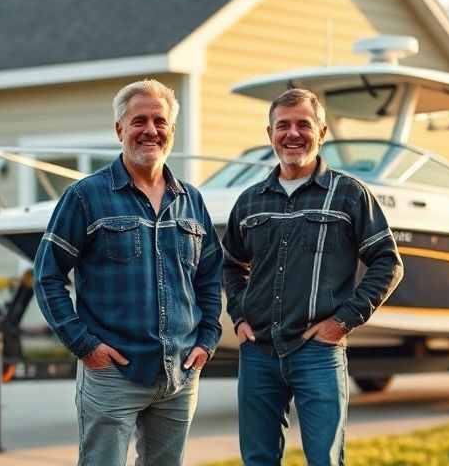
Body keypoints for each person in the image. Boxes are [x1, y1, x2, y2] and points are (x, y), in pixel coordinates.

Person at [33, 79, 223, 466]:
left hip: (180, 374)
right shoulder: (86, 196)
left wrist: (208, 339)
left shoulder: (192, 200)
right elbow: (47, 275)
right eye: (139, 120)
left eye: (160, 121)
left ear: (171, 130)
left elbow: (209, 276)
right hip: (111, 374)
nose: (150, 130)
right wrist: (84, 345)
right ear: (119, 129)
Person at [222, 88, 404, 465]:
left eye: (303, 125)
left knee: (325, 459)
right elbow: (230, 265)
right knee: (257, 459)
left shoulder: (349, 195)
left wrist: (341, 323)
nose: (292, 134)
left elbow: (388, 263)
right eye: (282, 126)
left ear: (321, 133)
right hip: (259, 352)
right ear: (269, 133)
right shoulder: (250, 201)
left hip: (318, 352)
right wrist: (239, 317)